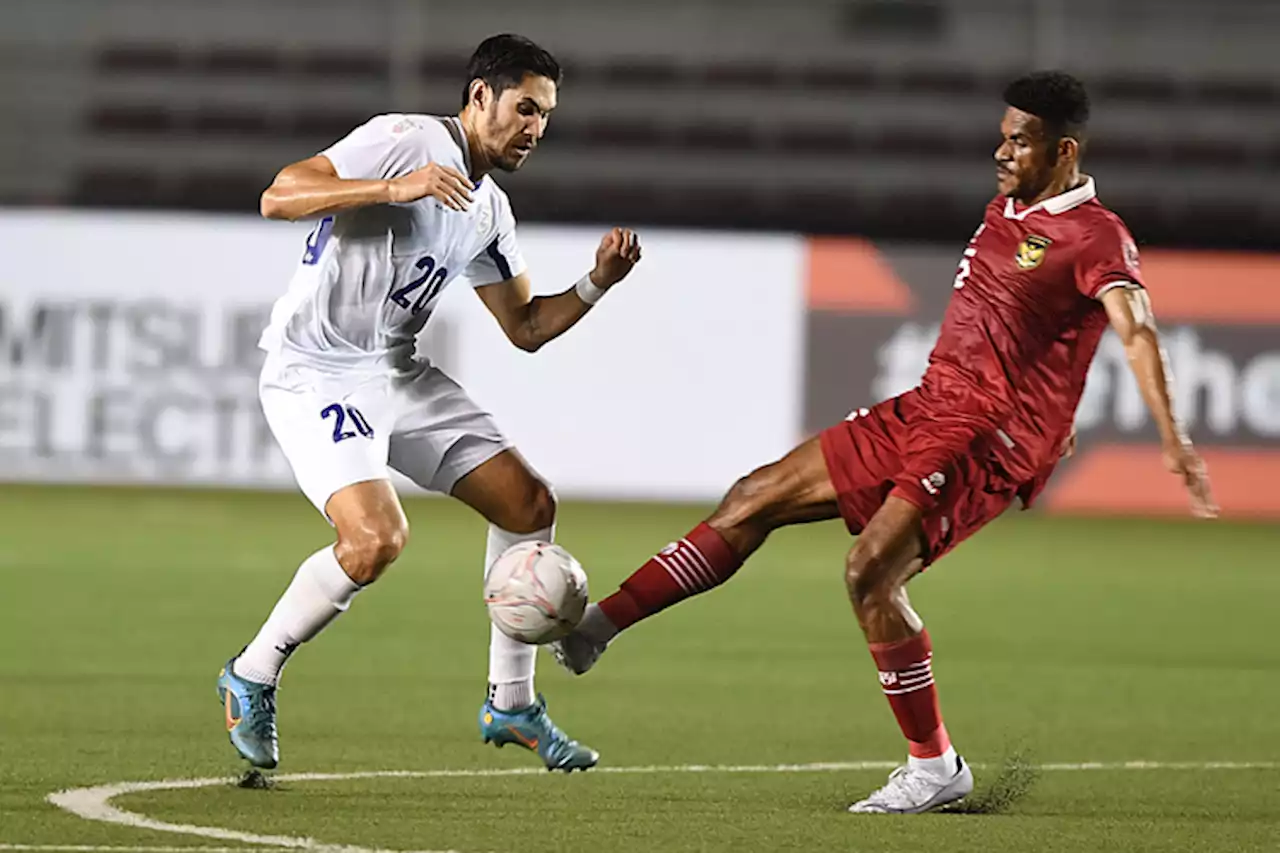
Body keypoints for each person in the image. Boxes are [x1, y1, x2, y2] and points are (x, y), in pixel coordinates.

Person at [551, 71, 1216, 812]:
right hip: (929, 407)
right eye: (1000, 137)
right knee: (754, 496)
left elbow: (1135, 327)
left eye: (1018, 142)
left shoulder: (1097, 236)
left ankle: (934, 766)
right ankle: (595, 628)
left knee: (870, 571)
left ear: (1063, 150)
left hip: (982, 437)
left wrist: (1173, 438)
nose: (1001, 153)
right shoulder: (1009, 206)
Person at [217, 34, 641, 773]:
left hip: (395, 372)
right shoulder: (401, 140)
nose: (536, 128)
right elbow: (278, 195)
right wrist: (393, 188)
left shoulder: (490, 210)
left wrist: (597, 281)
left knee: (528, 504)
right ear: (481, 96)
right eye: (526, 108)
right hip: (315, 370)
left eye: (545, 115)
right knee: (375, 540)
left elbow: (526, 327)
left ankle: (511, 702)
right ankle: (251, 672)